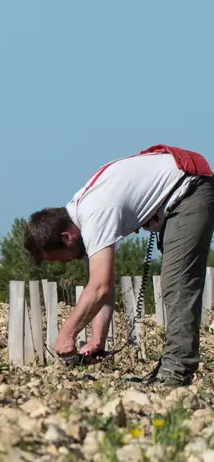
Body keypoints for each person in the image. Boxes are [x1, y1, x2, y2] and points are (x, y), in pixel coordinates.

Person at [23, 145, 213, 387]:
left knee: (177, 284)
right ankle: (173, 367)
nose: (66, 262)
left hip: (189, 188)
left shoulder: (95, 213)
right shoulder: (81, 214)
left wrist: (66, 335)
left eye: (61, 257)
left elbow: (99, 287)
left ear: (66, 236)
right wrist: (97, 340)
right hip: (179, 189)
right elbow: (105, 285)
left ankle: (176, 373)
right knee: (175, 282)